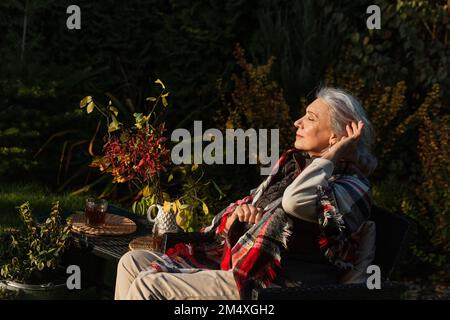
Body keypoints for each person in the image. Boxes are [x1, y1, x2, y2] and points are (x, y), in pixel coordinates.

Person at [114, 87, 378, 300]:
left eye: (310, 118)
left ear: (337, 137)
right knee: (131, 262)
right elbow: (262, 207)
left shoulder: (352, 187)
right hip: (242, 263)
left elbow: (295, 201)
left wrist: (332, 156)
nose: (297, 122)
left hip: (272, 285)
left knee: (148, 286)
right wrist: (244, 214)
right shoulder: (293, 168)